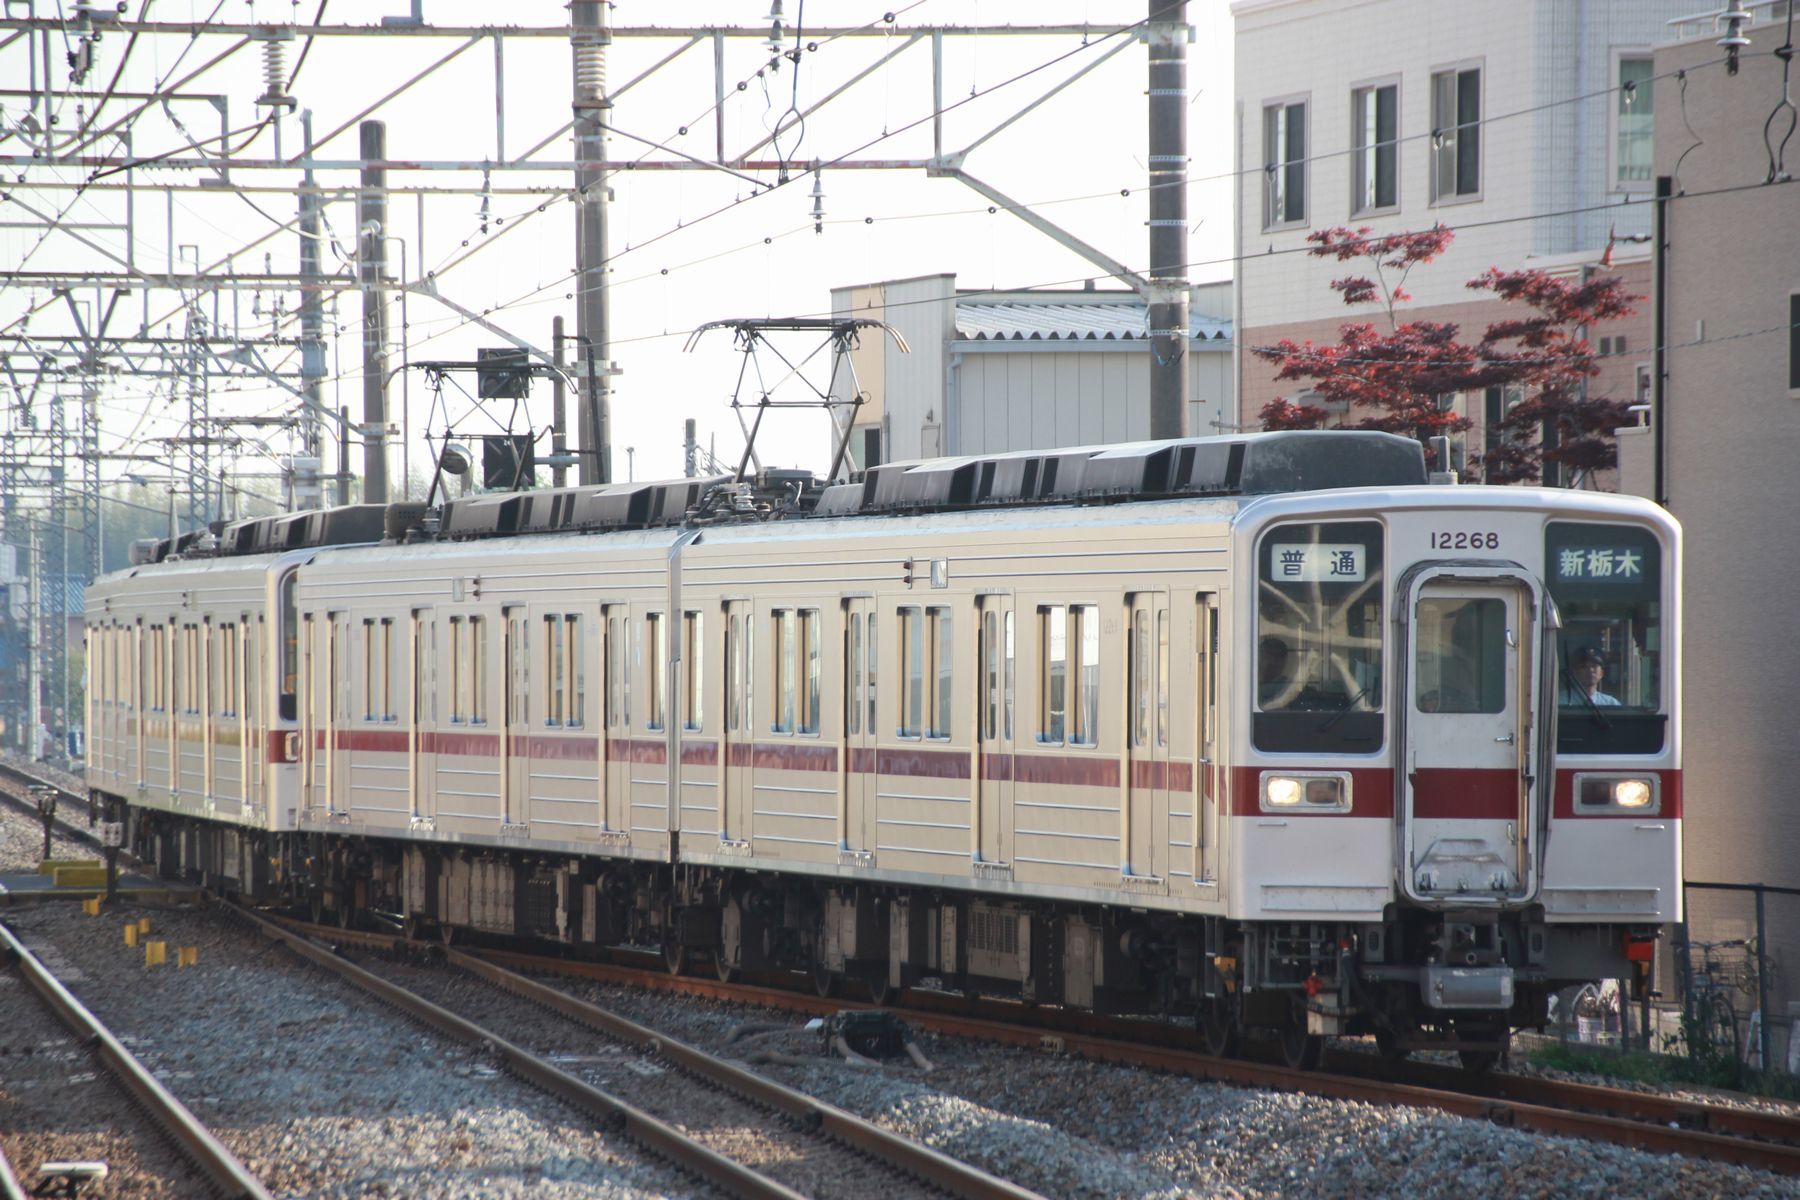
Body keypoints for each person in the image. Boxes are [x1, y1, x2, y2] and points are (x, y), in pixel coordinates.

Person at [1258, 636, 1292, 707]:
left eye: (1279, 658)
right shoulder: (1247, 685)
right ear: (1259, 658)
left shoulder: (1289, 686)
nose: (1274, 662)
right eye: (1269, 657)